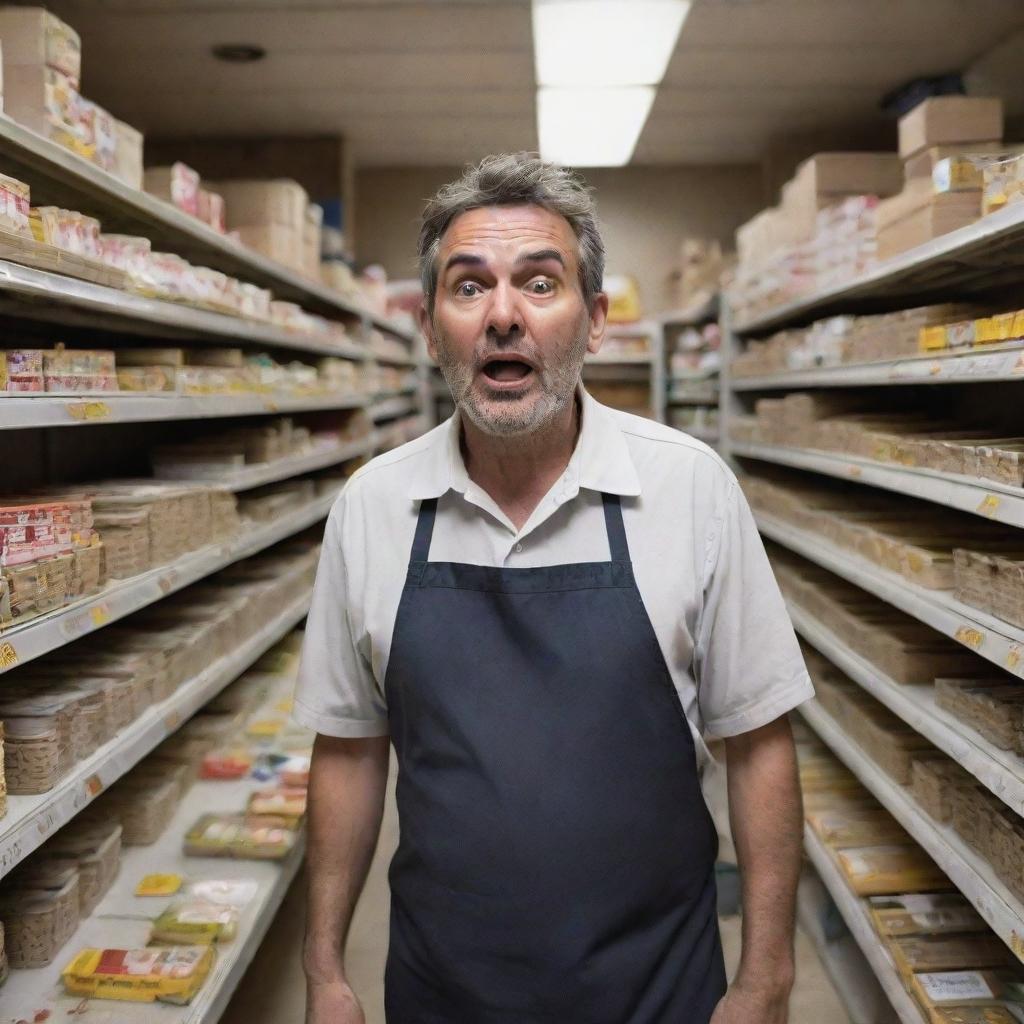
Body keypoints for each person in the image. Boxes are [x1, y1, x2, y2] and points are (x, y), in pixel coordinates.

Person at [295, 153, 813, 1024]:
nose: (504, 315)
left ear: (597, 319)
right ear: (429, 328)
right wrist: (324, 973)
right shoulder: (373, 507)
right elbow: (349, 749)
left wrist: (766, 981)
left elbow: (759, 742)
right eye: (469, 288)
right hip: (440, 990)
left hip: (657, 989)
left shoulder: (688, 489)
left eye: (541, 283)